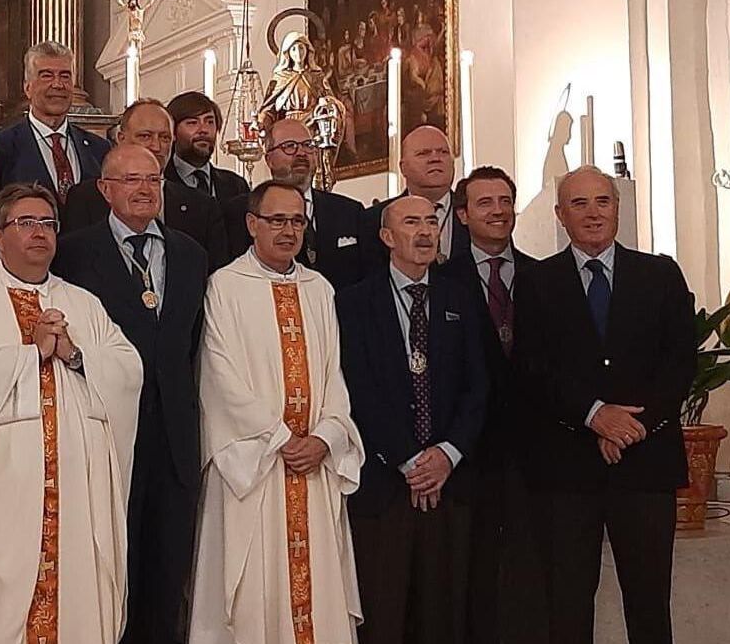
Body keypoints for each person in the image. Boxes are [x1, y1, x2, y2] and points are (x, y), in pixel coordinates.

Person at [0, 182, 144, 643]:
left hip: (77, 494)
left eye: (48, 223)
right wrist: (29, 354)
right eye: (26, 223)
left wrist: (78, 355)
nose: (39, 233)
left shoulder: (82, 303)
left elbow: (128, 369)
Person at [512, 167, 694, 644]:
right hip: (569, 470)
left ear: (617, 207)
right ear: (560, 215)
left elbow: (679, 363)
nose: (593, 213)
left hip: (645, 464)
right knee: (567, 603)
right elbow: (532, 369)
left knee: (650, 602)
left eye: (602, 202)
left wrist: (631, 427)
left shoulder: (660, 274)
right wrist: (596, 416)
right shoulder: (536, 282)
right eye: (579, 204)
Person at [190, 180, 364, 644]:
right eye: (277, 220)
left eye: (297, 221)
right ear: (252, 224)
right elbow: (219, 375)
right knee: (252, 588)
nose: (289, 231)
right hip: (255, 466)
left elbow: (334, 375)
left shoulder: (318, 288)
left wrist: (326, 436)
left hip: (313, 466)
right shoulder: (225, 286)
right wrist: (281, 440)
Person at [54, 146, 208, 644]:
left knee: (168, 569)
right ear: (105, 189)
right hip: (108, 428)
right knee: (112, 564)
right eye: (131, 180)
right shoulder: (75, 252)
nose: (145, 189)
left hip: (176, 438)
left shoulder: (190, 253)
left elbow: (194, 344)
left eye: (153, 179)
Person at [337, 196, 486, 644]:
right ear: (386, 237)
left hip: (448, 484)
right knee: (383, 614)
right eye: (410, 222)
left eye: (431, 222)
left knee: (443, 616)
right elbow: (356, 390)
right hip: (384, 484)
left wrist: (446, 455)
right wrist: (408, 460)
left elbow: (478, 386)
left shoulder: (459, 298)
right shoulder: (352, 303)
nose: (424, 231)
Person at [437, 166, 545, 644]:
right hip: (468, 455)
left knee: (531, 573)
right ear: (462, 215)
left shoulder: (546, 277)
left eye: (505, 201)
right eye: (485, 203)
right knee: (470, 575)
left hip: (534, 453)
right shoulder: (441, 281)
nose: (498, 211)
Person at [60, 98, 229, 269]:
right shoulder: (85, 198)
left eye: (164, 137)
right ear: (121, 138)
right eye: (145, 136)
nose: (156, 146)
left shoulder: (202, 207)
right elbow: (72, 262)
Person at [225, 116, 366, 289]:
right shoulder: (239, 211)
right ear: (269, 159)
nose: (301, 153)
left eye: (308, 145)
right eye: (289, 146)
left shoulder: (349, 212)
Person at [0, 41, 111, 198]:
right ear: (28, 88)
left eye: (65, 76)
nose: (58, 84)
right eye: (47, 75)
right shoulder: (2, 147)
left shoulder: (99, 148)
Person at [361, 125, 470, 271]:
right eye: (423, 153)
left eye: (443, 152)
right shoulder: (374, 219)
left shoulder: (475, 212)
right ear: (403, 167)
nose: (435, 158)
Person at [166, 91, 249, 201]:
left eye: (209, 122)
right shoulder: (160, 183)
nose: (203, 130)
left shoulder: (236, 186)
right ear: (172, 131)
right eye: (192, 123)